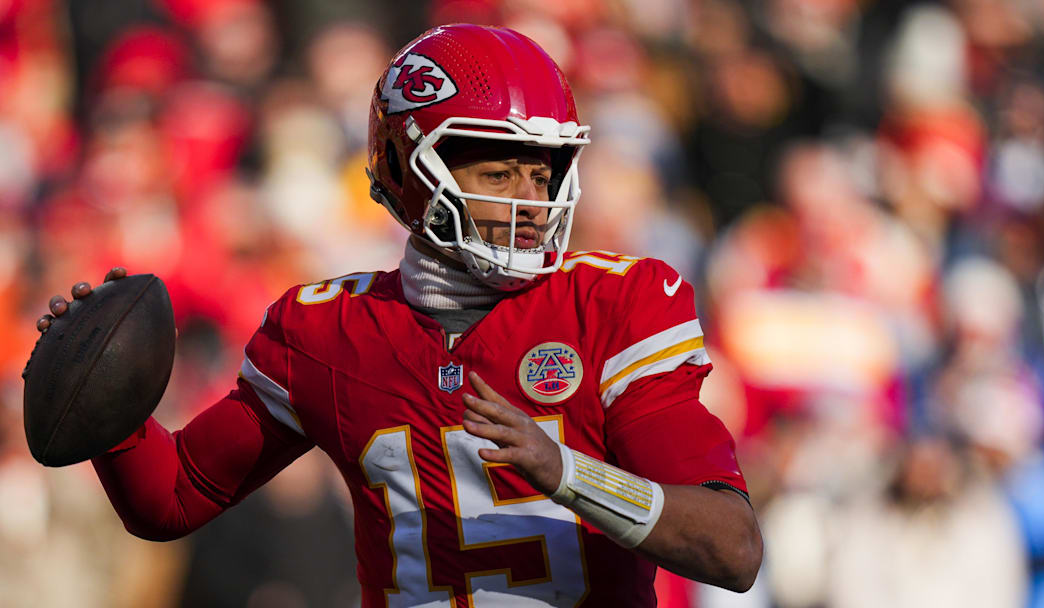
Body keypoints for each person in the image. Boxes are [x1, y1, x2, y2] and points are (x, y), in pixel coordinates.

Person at [36, 24, 762, 607]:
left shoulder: (613, 304)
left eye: (544, 171)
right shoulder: (325, 330)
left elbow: (731, 551)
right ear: (408, 172)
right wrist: (103, 396)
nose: (530, 202)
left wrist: (567, 471)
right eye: (499, 170)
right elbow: (172, 499)